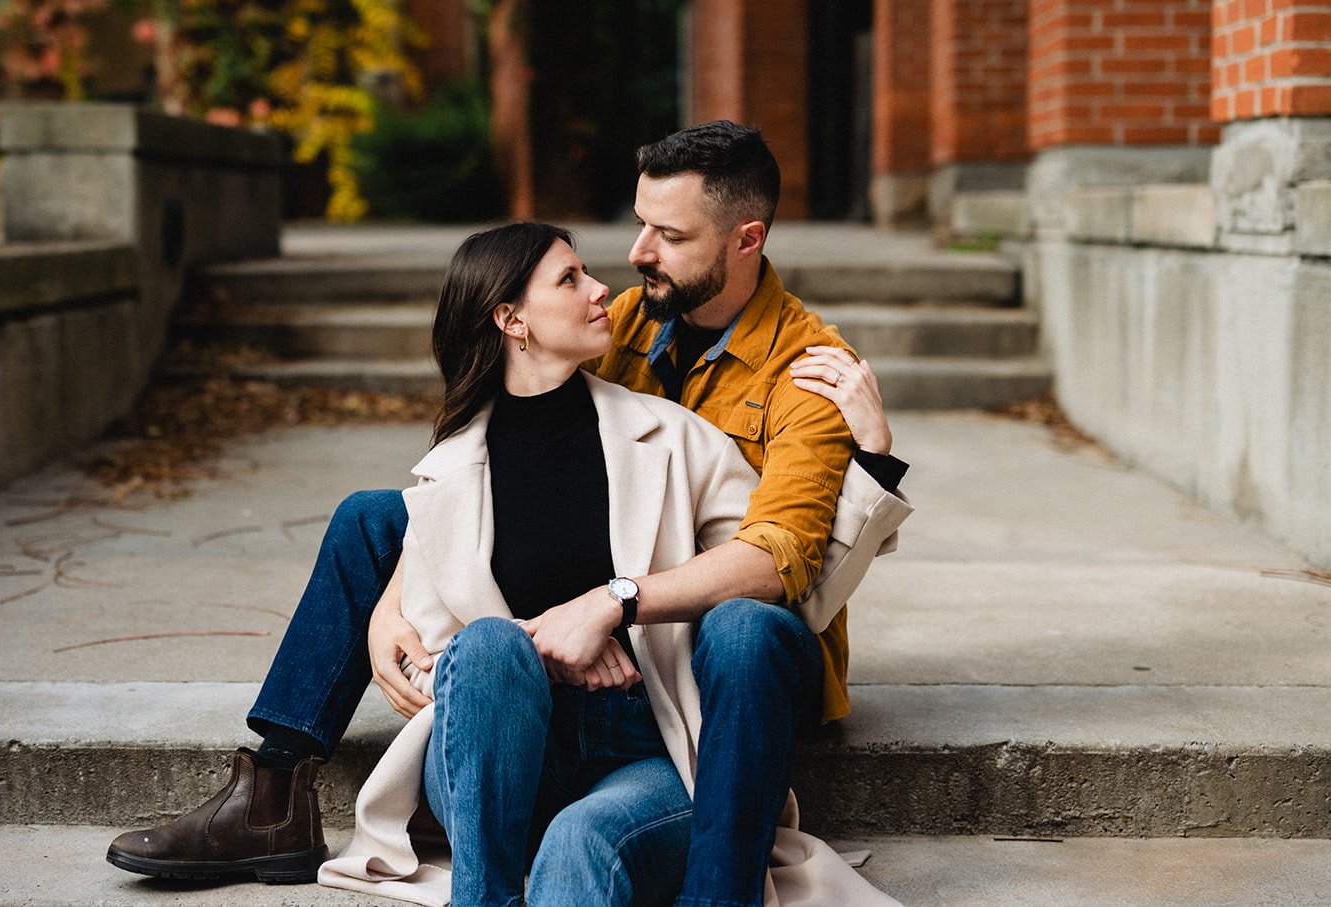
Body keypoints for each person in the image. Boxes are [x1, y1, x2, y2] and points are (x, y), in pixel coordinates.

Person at [107, 121, 910, 901]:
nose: (631, 259)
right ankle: (274, 788)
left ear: (746, 238)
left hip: (719, 648)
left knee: (741, 630)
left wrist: (608, 603)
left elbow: (776, 559)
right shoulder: (624, 319)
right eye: (638, 227)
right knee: (370, 518)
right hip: (597, 614)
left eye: (667, 234)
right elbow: (497, 458)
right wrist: (396, 603)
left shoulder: (808, 369)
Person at [318, 221, 901, 907]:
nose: (603, 289)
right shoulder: (448, 471)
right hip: (509, 758)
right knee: (487, 645)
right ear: (511, 319)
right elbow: (433, 661)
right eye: (570, 280)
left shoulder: (673, 438)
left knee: (579, 843)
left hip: (647, 748)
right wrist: (551, 644)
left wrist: (875, 463)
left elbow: (783, 588)